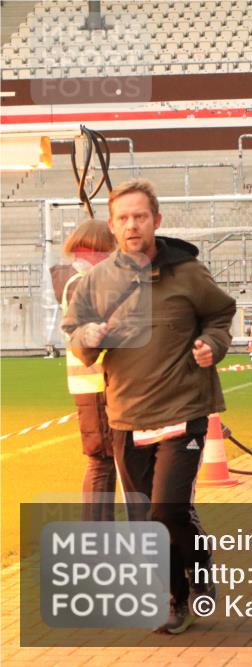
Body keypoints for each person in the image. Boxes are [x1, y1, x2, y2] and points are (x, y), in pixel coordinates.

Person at [63, 178, 236, 634]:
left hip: (184, 406)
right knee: (147, 516)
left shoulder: (188, 272)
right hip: (126, 415)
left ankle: (182, 589)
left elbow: (220, 315)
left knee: (166, 509)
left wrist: (212, 345)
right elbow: (74, 334)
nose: (132, 224)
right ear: (112, 226)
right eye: (122, 218)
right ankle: (186, 580)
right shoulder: (97, 282)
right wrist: (87, 337)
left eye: (140, 216)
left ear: (156, 220)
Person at [50, 219, 116, 521]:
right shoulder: (82, 282)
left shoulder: (77, 279)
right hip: (95, 384)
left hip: (93, 384)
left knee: (107, 459)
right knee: (101, 460)